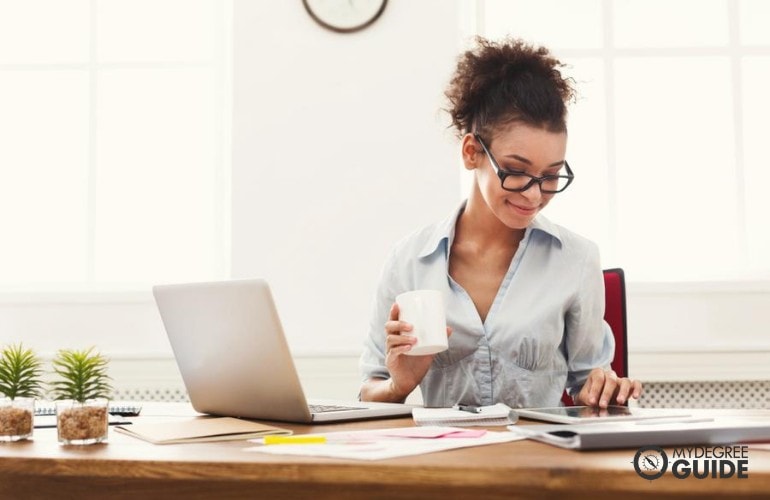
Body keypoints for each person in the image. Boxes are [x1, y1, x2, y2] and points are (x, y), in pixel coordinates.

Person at [358, 37, 642, 409]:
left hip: (537, 460)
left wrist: (602, 389)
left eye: (551, 175)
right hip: (443, 461)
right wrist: (398, 384)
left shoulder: (576, 258)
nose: (534, 195)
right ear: (472, 152)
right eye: (516, 171)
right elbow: (370, 389)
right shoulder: (409, 260)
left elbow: (589, 381)